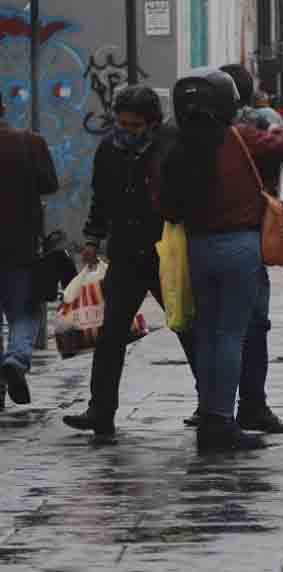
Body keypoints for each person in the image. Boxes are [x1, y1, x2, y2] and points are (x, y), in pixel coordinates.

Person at [158, 71, 283, 451]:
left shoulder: (175, 144)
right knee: (232, 334)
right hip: (239, 246)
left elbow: (165, 203)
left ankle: (210, 414)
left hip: (197, 247)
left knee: (206, 332)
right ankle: (221, 421)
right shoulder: (239, 137)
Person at [63, 86, 197, 436]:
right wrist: (92, 238)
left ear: (152, 122)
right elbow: (101, 197)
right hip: (124, 253)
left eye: (135, 125)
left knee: (186, 327)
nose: (127, 131)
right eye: (122, 123)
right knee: (111, 335)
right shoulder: (109, 148)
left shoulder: (172, 145)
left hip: (164, 251)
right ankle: (100, 410)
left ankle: (211, 404)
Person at [215, 64, 283, 435]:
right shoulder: (256, 128)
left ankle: (214, 407)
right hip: (250, 235)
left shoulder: (195, 132)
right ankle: (250, 406)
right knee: (252, 326)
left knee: (214, 328)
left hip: (200, 241)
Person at [0, 93, 59, 407]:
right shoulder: (30, 142)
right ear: (3, 109)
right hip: (20, 243)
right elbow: (49, 184)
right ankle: (17, 358)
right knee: (25, 310)